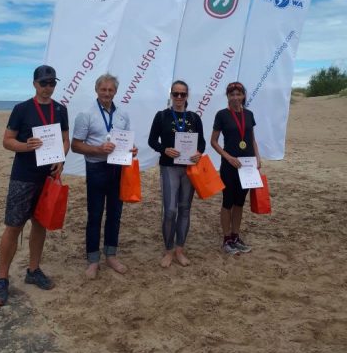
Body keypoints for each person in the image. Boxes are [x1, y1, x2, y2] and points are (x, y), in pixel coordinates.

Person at [0, 65, 70, 306]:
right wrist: (27, 146)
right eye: (43, 83)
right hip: (23, 178)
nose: (48, 87)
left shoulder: (60, 109)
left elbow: (65, 140)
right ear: (34, 84)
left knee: (40, 224)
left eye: (52, 83)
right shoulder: (21, 109)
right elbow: (7, 141)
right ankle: (2, 278)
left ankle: (33, 270)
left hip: (47, 179)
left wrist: (61, 160)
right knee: (13, 227)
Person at [71, 74, 137, 279]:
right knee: (95, 215)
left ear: (115, 92)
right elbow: (75, 145)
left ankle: (111, 255)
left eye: (110, 90)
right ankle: (93, 260)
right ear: (96, 90)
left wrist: (131, 150)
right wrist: (98, 149)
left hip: (117, 168)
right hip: (96, 168)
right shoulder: (85, 114)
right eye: (103, 89)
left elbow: (125, 141)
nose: (107, 93)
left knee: (115, 214)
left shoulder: (123, 114)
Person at [148, 80, 206, 268]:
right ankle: (168, 250)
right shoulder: (162, 116)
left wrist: (198, 153)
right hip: (169, 167)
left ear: (187, 95)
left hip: (188, 168)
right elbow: (151, 141)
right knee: (170, 210)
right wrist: (164, 149)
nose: (179, 97)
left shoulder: (194, 118)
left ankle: (179, 249)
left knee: (185, 209)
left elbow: (202, 143)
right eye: (176, 94)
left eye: (183, 94)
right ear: (171, 95)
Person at [210, 81, 261, 255]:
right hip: (230, 166)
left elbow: (251, 139)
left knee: (239, 202)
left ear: (243, 95)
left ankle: (235, 237)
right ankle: (226, 239)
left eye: (238, 94)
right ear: (227, 96)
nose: (235, 97)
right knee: (228, 202)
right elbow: (213, 141)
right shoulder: (222, 115)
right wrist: (228, 157)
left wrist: (258, 158)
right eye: (232, 94)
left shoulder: (249, 114)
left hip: (247, 166)